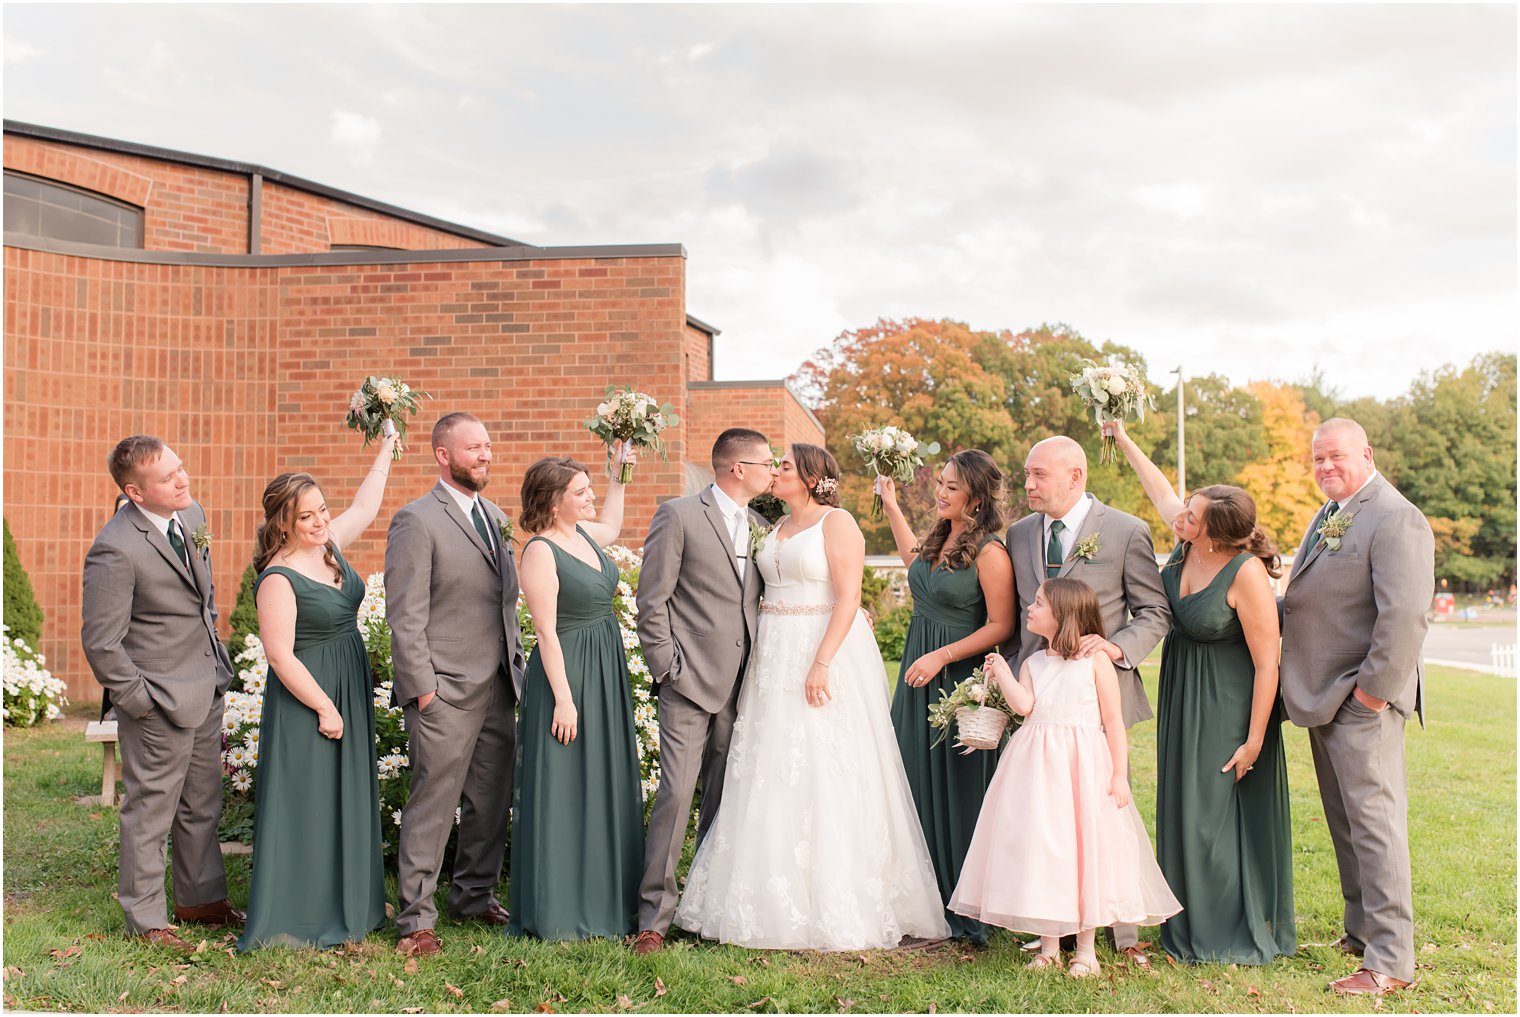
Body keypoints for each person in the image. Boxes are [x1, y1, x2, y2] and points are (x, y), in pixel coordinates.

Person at [674, 444, 950, 950]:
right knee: (768, 766)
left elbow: (848, 596)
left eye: (783, 466)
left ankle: (835, 897)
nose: (775, 472)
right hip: (771, 653)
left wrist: (821, 661)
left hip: (822, 649)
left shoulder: (838, 522)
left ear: (811, 477)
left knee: (825, 762)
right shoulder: (771, 526)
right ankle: (761, 895)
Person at [1106, 419, 1294, 965]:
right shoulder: (1184, 541)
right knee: (1183, 806)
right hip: (1182, 692)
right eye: (1185, 509)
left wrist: (1255, 739)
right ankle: (1181, 919)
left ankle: (1223, 931)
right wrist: (1121, 436)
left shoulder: (1246, 574)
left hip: (1231, 703)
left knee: (1213, 814)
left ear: (1213, 533)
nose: (1179, 515)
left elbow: (1268, 664)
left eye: (1192, 514)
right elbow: (1159, 490)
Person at [950, 579, 1182, 978]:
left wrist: (1120, 776)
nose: (1030, 608)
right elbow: (1024, 708)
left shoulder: (1096, 662)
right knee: (1046, 850)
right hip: (1036, 770)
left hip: (1084, 767)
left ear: (1062, 613)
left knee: (1084, 850)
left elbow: (1113, 721)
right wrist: (1003, 671)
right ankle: (1050, 946)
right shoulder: (1033, 663)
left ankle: (1087, 950)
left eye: (1038, 603)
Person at [1279, 418, 1433, 997]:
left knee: (1376, 826)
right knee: (1346, 823)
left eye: (1335, 457)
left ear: (1365, 453)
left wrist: (1371, 695)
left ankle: (1391, 961)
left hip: (1361, 697)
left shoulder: (1396, 517)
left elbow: (1405, 616)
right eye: (1317, 459)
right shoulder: (1330, 514)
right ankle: (1360, 931)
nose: (1324, 468)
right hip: (1323, 695)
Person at [1005, 435, 1171, 965]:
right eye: (1027, 474)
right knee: (1047, 820)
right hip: (1039, 693)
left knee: (1103, 818)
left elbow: (1154, 612)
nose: (1028, 484)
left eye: (1039, 475)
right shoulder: (1018, 533)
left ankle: (1118, 926)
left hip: (1096, 700)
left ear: (1075, 476)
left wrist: (1115, 649)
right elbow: (1019, 620)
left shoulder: (1125, 531)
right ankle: (1049, 918)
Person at [237, 430, 397, 951]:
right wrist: (325, 706)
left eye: (322, 511)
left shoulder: (329, 548)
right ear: (283, 522)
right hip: (309, 699)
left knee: (345, 795)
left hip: (346, 682)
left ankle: (353, 902)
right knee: (309, 800)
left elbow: (367, 505)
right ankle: (300, 913)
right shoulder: (279, 578)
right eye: (306, 516)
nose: (320, 521)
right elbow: (280, 655)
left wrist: (387, 443)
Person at [81, 436, 242, 949]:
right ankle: (146, 919)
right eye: (169, 477)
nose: (183, 480)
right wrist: (140, 701)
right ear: (134, 492)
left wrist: (216, 663)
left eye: (181, 468)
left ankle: (200, 899)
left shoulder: (190, 515)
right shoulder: (115, 548)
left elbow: (203, 597)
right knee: (150, 810)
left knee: (202, 804)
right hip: (156, 701)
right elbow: (101, 643)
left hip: (205, 685)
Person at [386, 413, 527, 957]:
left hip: (498, 684)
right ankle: (416, 918)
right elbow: (406, 614)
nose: (485, 455)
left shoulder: (495, 516)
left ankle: (473, 895)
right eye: (473, 448)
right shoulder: (415, 521)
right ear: (443, 455)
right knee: (434, 802)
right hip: (443, 688)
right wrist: (423, 688)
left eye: (488, 446)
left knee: (490, 801)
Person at [631, 428, 777, 954]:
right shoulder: (679, 515)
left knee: (723, 798)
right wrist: (668, 667)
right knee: (675, 795)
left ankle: (706, 908)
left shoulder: (763, 526)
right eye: (767, 462)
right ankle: (653, 917)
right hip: (688, 681)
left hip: (746, 685)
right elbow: (653, 600)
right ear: (738, 467)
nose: (774, 471)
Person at [878, 451, 1015, 944]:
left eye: (951, 486)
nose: (940, 491)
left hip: (957, 679)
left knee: (957, 787)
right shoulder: (940, 535)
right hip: (917, 669)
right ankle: (920, 897)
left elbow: (1002, 625)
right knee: (910, 775)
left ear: (976, 496)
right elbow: (916, 568)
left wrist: (943, 656)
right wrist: (892, 506)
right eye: (940, 482)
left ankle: (964, 901)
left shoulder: (990, 552)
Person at [509, 451, 643, 939]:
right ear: (553, 501)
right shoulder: (541, 550)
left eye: (589, 489)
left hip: (604, 667)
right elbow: (544, 631)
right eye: (580, 492)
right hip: (567, 674)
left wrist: (617, 473)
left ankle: (608, 894)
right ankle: (563, 905)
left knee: (603, 776)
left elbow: (613, 518)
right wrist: (565, 700)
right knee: (567, 784)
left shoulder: (584, 535)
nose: (590, 498)